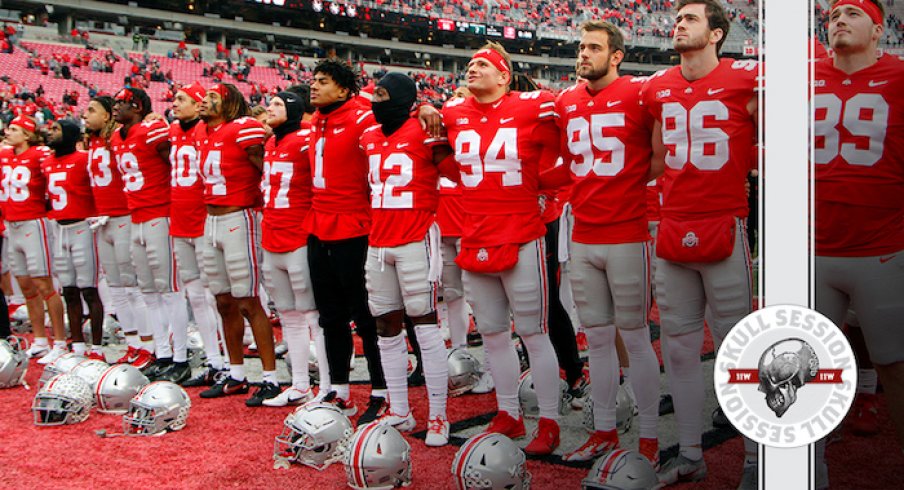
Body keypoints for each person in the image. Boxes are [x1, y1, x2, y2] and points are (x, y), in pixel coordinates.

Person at [640, 0, 758, 485]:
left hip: (723, 224)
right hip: (672, 227)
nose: (678, 24)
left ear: (716, 33)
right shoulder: (656, 88)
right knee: (681, 349)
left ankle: (757, 456)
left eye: (690, 18)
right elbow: (653, 158)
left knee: (740, 348)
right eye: (678, 17)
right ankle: (690, 452)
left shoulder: (747, 79)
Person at [441, 42, 564, 455]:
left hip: (521, 231)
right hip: (475, 233)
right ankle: (508, 413)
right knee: (493, 334)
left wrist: (542, 185)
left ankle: (548, 420)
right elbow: (450, 165)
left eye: (481, 64)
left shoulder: (534, 105)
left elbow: (563, 149)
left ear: (504, 75)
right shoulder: (453, 113)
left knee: (533, 332)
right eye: (469, 62)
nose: (471, 68)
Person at [551, 20, 662, 467]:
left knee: (634, 338)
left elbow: (657, 155)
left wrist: (625, 186)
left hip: (627, 232)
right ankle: (603, 430)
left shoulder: (639, 92)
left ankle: (651, 439)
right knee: (596, 339)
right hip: (584, 233)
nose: (584, 54)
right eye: (581, 47)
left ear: (616, 56)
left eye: (594, 47)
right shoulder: (566, 101)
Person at [814, 0, 904, 463]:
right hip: (814, 245)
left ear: (877, 28)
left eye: (852, 12)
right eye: (833, 15)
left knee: (893, 359)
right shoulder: (805, 74)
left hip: (881, 245)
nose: (840, 20)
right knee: (809, 362)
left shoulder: (900, 76)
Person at [360, 72, 451, 445]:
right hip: (378, 242)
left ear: (401, 97)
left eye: (384, 93)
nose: (376, 99)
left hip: (416, 236)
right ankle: (399, 408)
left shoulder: (426, 130)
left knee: (426, 326)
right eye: (375, 92)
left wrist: (430, 109)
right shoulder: (367, 135)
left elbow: (455, 172)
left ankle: (439, 415)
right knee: (385, 327)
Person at [306, 59, 387, 423]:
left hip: (355, 226)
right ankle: (338, 388)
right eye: (313, 80)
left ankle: (382, 389)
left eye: (322, 81)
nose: (314, 86)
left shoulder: (364, 114)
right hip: (319, 225)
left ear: (343, 88)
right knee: (330, 316)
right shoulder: (317, 120)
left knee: (366, 316)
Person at [196, 83, 278, 407]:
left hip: (238, 217)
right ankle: (236, 373)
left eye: (212, 97)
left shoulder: (243, 127)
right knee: (223, 301)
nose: (205, 101)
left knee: (247, 300)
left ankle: (270, 377)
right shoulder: (208, 133)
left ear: (230, 103)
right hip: (211, 219)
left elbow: (266, 163)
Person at [110, 87, 189, 383]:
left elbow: (175, 167)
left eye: (121, 103)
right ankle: (163, 352)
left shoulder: (153, 130)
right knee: (149, 292)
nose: (115, 107)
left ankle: (180, 357)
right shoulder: (116, 136)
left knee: (169, 289)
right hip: (137, 217)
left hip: (160, 215)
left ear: (138, 106)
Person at [258, 90, 321, 406]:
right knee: (289, 316)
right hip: (273, 235)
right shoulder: (271, 142)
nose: (270, 108)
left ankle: (326, 386)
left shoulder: (306, 138)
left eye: (278, 104)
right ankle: (299, 384)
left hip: (298, 236)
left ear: (294, 110)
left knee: (312, 314)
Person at [84, 95, 153, 369]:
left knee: (132, 285)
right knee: (116, 287)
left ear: (107, 117)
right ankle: (133, 343)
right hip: (104, 218)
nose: (86, 115)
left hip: (124, 214)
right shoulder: (93, 141)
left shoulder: (118, 140)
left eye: (92, 110)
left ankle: (149, 345)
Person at [168, 81, 228, 386]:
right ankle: (213, 359)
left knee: (214, 295)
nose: (175, 103)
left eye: (182, 99)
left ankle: (229, 362)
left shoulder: (210, 131)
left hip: (204, 219)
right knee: (194, 294)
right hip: (179, 220)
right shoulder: (172, 131)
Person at [0, 116, 67, 364]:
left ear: (28, 135)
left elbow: (55, 174)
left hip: (33, 222)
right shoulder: (5, 155)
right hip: (12, 225)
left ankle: (59, 341)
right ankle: (40, 341)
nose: (9, 131)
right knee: (26, 286)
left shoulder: (39, 154)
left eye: (15, 129)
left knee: (44, 284)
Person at [42, 119, 106, 361]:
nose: (51, 132)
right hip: (59, 229)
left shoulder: (84, 159)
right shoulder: (47, 162)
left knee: (89, 290)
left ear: (69, 134)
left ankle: (97, 347)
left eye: (56, 129)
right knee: (68, 290)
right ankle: (77, 344)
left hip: (82, 227)